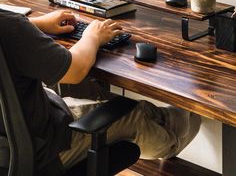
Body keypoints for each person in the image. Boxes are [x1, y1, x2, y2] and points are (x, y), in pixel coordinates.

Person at [0, 9, 201, 174]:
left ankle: (167, 118)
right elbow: (75, 70)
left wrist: (36, 23)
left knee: (79, 91)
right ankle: (175, 138)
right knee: (133, 116)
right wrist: (92, 36)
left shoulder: (10, 27)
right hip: (40, 152)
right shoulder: (9, 26)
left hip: (11, 146)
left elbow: (10, 32)